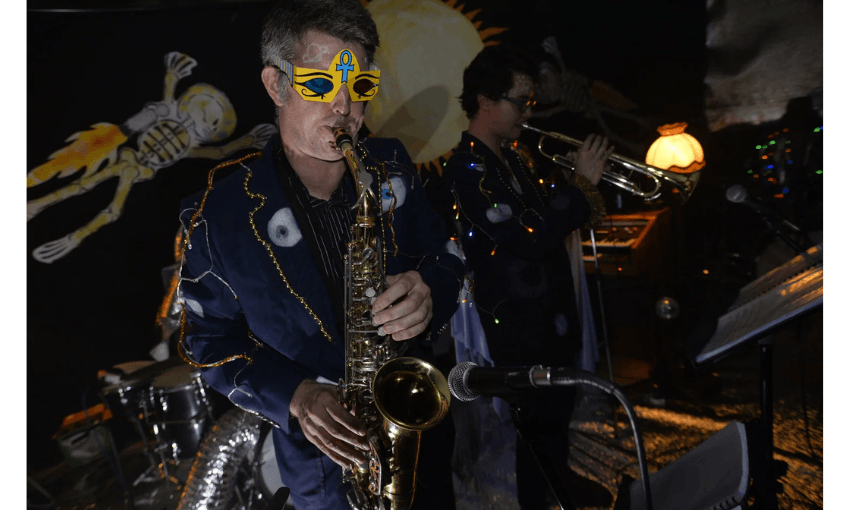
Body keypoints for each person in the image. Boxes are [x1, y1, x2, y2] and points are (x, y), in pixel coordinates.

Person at [176, 1, 465, 509]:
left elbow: (444, 255)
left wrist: (429, 291)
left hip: (422, 444)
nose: (346, 109)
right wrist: (295, 395)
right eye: (320, 85)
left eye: (360, 88)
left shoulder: (392, 163)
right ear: (275, 84)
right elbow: (206, 340)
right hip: (322, 470)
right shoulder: (217, 214)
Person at [440, 44, 613, 510]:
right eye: (521, 100)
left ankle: (559, 485)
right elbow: (527, 236)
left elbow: (539, 217)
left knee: (556, 422)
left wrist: (572, 186)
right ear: (485, 101)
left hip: (547, 318)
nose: (528, 112)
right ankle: (542, 497)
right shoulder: (466, 169)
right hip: (517, 327)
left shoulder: (514, 158)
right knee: (535, 432)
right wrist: (580, 188)